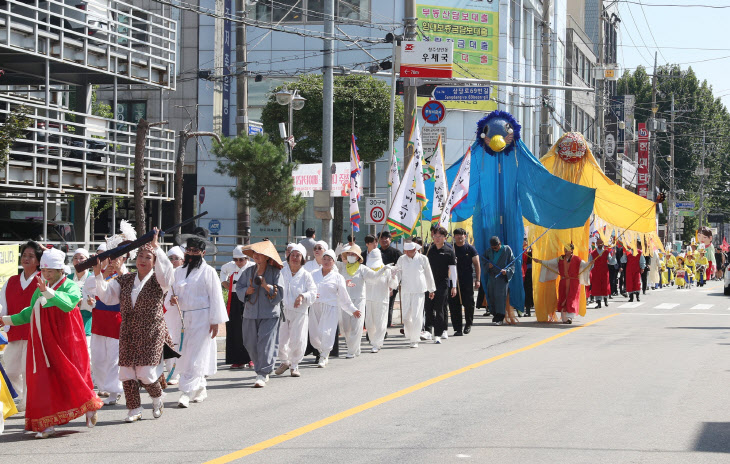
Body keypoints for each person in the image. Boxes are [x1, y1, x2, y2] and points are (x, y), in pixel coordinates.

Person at [1, 247, 102, 438]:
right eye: (44, 271)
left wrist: (47, 292)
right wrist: (5, 320)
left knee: (73, 376)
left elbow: (68, 303)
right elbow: (29, 313)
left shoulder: (69, 286)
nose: (46, 275)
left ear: (60, 271)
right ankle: (46, 424)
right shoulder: (41, 288)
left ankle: (90, 407)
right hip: (44, 341)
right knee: (44, 379)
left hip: (68, 341)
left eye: (50, 271)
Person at [93, 230, 175, 422]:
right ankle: (134, 408)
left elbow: (168, 274)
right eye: (140, 256)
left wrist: (156, 247)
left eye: (148, 257)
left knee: (145, 372)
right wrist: (98, 276)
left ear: (155, 262)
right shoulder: (126, 279)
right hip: (128, 331)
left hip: (151, 332)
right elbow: (107, 296)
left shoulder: (159, 280)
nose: (143, 260)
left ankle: (156, 398)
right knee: (127, 372)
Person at [171, 237, 228, 407]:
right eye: (189, 250)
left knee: (195, 354)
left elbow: (216, 297)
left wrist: (215, 321)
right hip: (182, 318)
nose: (191, 253)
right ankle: (201, 387)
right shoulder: (178, 271)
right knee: (184, 353)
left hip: (202, 318)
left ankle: (186, 392)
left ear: (203, 253)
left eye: (195, 250)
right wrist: (172, 299)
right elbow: (170, 293)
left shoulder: (209, 271)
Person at [0, 240, 43, 412]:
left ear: (38, 261)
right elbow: (2, 304)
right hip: (15, 332)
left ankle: (28, 402)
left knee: (28, 371)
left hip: (35, 333)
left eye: (31, 256)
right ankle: (22, 397)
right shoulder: (11, 281)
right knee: (10, 371)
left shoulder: (42, 281)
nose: (26, 258)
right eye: (24, 255)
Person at [87, 238, 131, 407]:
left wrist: (102, 276)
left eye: (117, 257)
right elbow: (88, 287)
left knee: (113, 359)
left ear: (124, 259)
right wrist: (100, 274)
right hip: (99, 319)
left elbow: (108, 296)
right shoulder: (103, 272)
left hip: (115, 320)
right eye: (111, 257)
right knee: (98, 358)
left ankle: (114, 391)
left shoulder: (125, 275)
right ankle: (104, 387)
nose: (113, 260)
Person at [236, 240, 284, 388]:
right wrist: (246, 291)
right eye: (254, 253)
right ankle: (260, 368)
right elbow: (239, 287)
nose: (256, 256)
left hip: (269, 313)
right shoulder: (248, 271)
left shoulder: (276, 273)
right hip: (250, 312)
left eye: (260, 254)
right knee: (249, 343)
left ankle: (263, 372)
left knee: (266, 343)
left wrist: (265, 285)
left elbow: (280, 293)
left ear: (267, 257)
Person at [336, 244, 392, 357]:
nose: (351, 256)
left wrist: (384, 269)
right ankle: (355, 348)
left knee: (356, 326)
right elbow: (330, 264)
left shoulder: (362, 269)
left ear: (358, 257)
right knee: (346, 328)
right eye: (349, 254)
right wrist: (336, 253)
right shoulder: (342, 267)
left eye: (353, 254)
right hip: (345, 301)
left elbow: (374, 276)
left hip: (359, 301)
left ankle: (351, 351)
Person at [309, 250, 361, 367]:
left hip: (330, 308)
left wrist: (352, 309)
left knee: (326, 332)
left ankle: (324, 355)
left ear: (333, 262)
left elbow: (344, 297)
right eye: (324, 259)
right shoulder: (313, 274)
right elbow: (307, 288)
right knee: (314, 335)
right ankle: (321, 351)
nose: (326, 262)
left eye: (330, 260)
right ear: (321, 260)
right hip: (315, 307)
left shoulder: (338, 277)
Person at [276, 244, 317, 377]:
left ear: (303, 258)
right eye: (292, 255)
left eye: (297, 256)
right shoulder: (282, 271)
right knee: (280, 340)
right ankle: (285, 361)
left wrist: (302, 296)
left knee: (297, 339)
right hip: (282, 310)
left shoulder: (306, 275)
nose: (294, 258)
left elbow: (313, 292)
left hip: (299, 312)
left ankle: (294, 365)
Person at [534, 243, 593, 324]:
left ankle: (570, 318)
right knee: (562, 299)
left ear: (572, 250)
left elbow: (584, 265)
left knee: (571, 299)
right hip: (563, 282)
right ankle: (564, 318)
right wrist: (540, 261)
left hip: (573, 283)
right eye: (565, 248)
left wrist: (589, 264)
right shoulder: (560, 258)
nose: (565, 250)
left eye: (567, 248)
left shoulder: (577, 259)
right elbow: (549, 263)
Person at [394, 242, 436, 348]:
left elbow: (428, 274)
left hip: (419, 291)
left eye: (409, 251)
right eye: (405, 251)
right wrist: (392, 284)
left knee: (417, 315)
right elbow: (397, 274)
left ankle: (415, 339)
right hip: (406, 290)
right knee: (407, 317)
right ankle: (410, 334)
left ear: (415, 250)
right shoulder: (402, 259)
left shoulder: (423, 259)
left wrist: (431, 290)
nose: (407, 253)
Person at [221, 246, 254, 369]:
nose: (239, 262)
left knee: (249, 329)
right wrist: (225, 282)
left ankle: (251, 358)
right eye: (236, 259)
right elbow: (223, 271)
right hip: (234, 299)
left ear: (247, 258)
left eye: (241, 259)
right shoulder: (230, 266)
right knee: (234, 328)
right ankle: (237, 359)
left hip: (248, 298)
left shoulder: (252, 266)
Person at [423, 227, 457, 343]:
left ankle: (438, 334)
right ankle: (428, 330)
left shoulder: (449, 251)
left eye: (440, 237)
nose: (437, 239)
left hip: (442, 283)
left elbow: (453, 269)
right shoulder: (429, 250)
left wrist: (454, 286)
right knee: (428, 307)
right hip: (429, 283)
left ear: (445, 238)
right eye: (435, 236)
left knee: (440, 308)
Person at [363, 239, 397, 352]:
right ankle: (373, 341)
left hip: (382, 299)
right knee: (369, 324)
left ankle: (377, 343)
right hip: (368, 300)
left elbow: (393, 285)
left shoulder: (387, 270)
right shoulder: (366, 270)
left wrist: (393, 276)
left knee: (380, 323)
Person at [448, 228, 480, 335]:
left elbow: (477, 264)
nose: (459, 237)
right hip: (453, 282)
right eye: (457, 235)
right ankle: (457, 328)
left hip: (467, 280)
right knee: (454, 305)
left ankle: (468, 324)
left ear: (465, 236)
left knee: (468, 304)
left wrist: (478, 280)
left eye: (461, 235)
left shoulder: (470, 249)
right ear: (454, 236)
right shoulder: (450, 248)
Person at [163, 246, 185, 384]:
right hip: (168, 314)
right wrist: (170, 302)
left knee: (182, 343)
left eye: (176, 258)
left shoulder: (185, 274)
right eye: (170, 258)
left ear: (182, 260)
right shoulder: (164, 275)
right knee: (169, 341)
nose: (173, 261)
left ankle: (182, 371)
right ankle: (172, 372)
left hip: (184, 315)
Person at [483, 236, 516, 325]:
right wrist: (487, 266)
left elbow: (512, 263)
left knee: (500, 297)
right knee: (491, 296)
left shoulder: (507, 249)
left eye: (496, 247)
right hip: (492, 277)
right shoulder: (489, 251)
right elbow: (483, 261)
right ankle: (495, 315)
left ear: (500, 244)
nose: (495, 249)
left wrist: (507, 271)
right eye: (493, 248)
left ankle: (500, 317)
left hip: (502, 277)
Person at [68, 248, 93, 347]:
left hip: (86, 324)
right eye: (75, 258)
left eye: (81, 258)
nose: (78, 261)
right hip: (69, 323)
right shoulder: (67, 279)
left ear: (87, 260)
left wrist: (83, 302)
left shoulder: (93, 278)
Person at [378, 231, 403, 328]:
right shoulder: (376, 252)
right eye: (382, 238)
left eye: (386, 238)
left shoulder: (396, 252)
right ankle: (380, 322)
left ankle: (388, 322)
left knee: (390, 302)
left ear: (390, 239)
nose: (384, 240)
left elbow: (401, 267)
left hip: (393, 281)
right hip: (379, 282)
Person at [590, 238, 613, 309]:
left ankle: (605, 299)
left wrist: (614, 256)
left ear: (603, 244)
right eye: (598, 243)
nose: (600, 244)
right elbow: (589, 263)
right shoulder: (593, 253)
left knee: (605, 285)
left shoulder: (606, 252)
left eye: (601, 243)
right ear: (596, 244)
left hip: (604, 271)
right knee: (597, 287)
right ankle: (598, 302)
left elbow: (612, 262)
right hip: (596, 272)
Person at [521, 238, 533, 317]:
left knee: (528, 291)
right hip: (522, 271)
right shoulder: (520, 250)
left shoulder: (530, 250)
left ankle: (528, 310)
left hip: (528, 273)